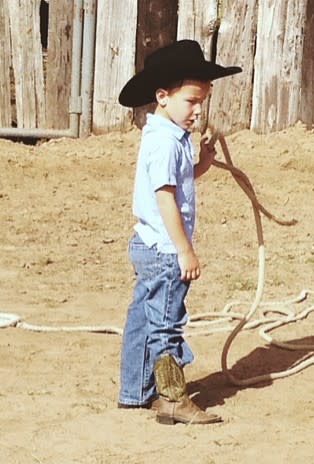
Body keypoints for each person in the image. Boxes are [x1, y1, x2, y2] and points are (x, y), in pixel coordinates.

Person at [116, 39, 241, 425]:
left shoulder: (164, 136)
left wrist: (200, 163)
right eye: (191, 101)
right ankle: (171, 397)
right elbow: (166, 198)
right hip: (165, 249)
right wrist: (184, 251)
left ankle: (135, 391)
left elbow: (177, 183)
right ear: (163, 96)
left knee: (143, 315)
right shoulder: (165, 144)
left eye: (202, 101)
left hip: (148, 243)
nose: (198, 110)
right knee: (165, 322)